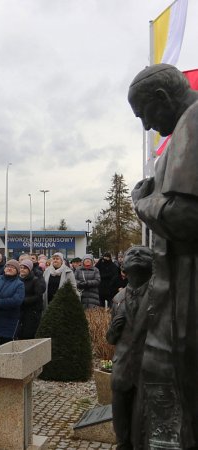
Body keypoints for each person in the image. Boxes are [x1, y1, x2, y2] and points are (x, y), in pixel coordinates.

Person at [129, 63, 198, 447]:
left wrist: (143, 202)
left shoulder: (194, 122)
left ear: (161, 98)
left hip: (191, 292)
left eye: (145, 115)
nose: (146, 126)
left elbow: (186, 216)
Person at [106, 246, 153, 450]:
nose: (135, 254)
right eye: (131, 253)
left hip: (150, 366)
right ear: (123, 267)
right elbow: (110, 339)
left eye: (143, 253)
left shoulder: (163, 295)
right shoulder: (118, 299)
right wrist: (114, 330)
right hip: (123, 366)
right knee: (121, 415)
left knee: (144, 418)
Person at [18, 259, 45, 340]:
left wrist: (23, 300)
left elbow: (38, 296)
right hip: (20, 311)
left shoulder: (35, 280)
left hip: (32, 312)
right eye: (21, 267)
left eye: (25, 268)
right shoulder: (17, 279)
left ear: (29, 269)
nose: (22, 269)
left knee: (28, 334)